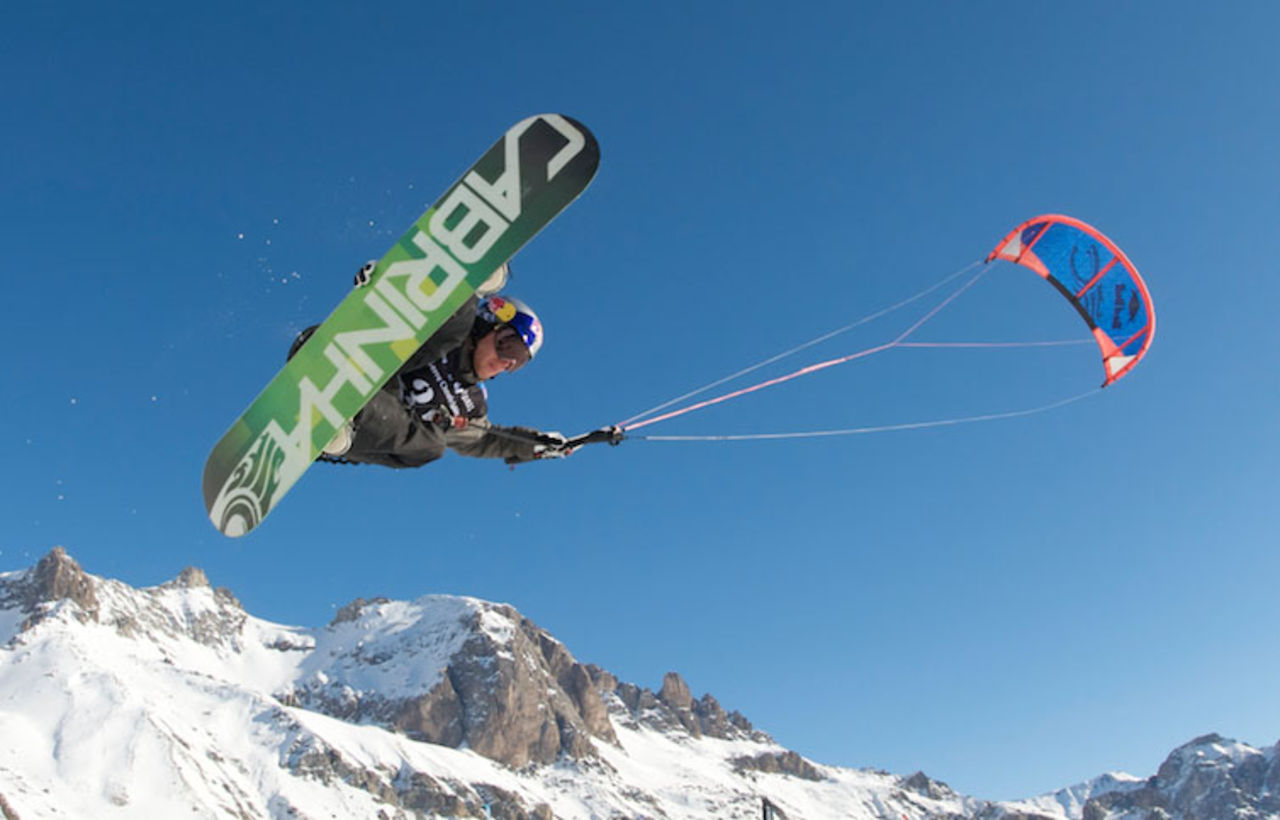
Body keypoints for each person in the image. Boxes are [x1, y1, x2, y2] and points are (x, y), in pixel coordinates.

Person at [289, 263, 610, 468]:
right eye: (508, 345)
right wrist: (387, 281)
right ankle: (474, 278)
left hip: (365, 417)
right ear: (490, 323)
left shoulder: (470, 406)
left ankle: (336, 426)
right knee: (453, 326)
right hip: (354, 358)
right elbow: (442, 315)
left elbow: (488, 440)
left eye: (517, 363)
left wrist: (536, 445)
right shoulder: (456, 330)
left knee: (429, 448)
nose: (505, 361)